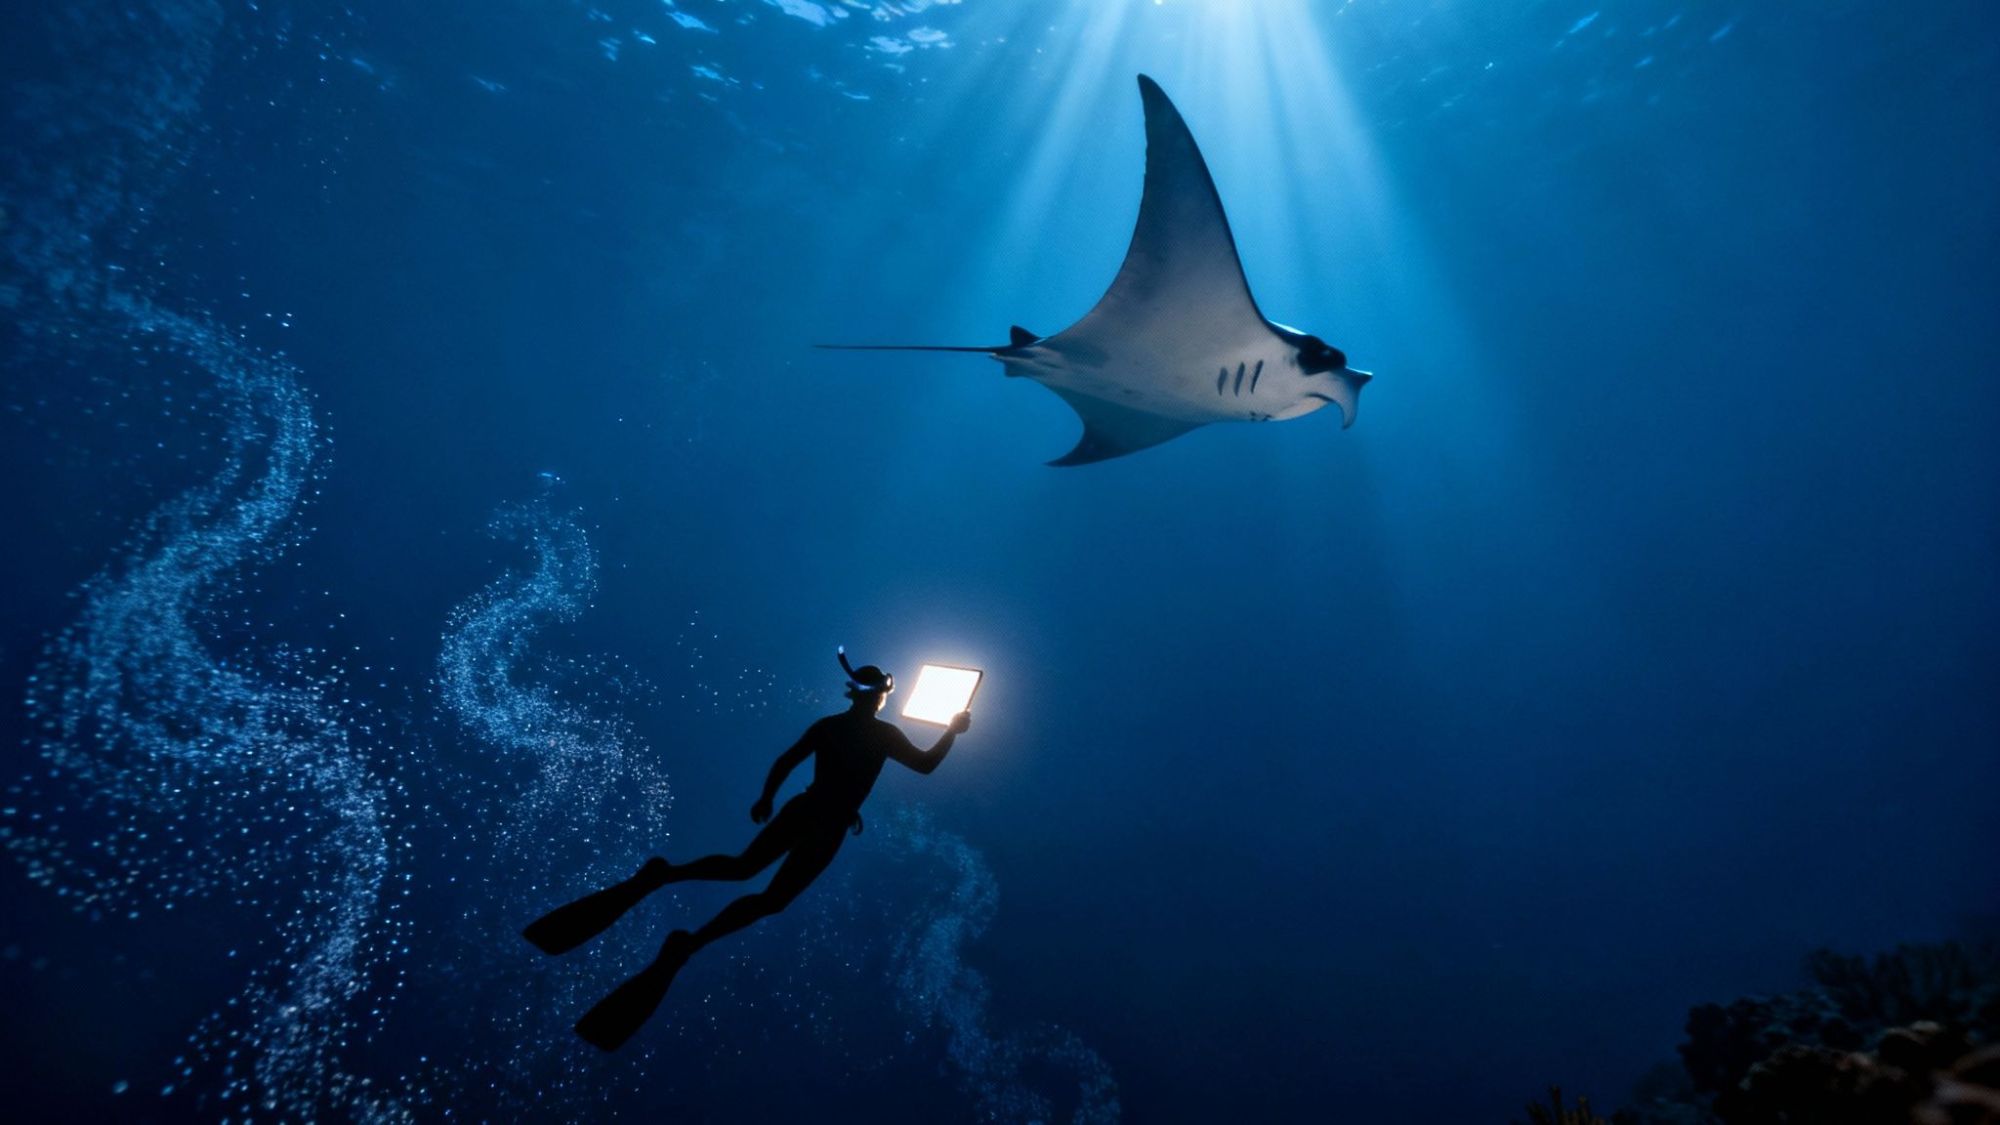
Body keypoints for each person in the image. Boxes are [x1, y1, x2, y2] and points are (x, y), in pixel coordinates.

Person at [523, 647, 971, 1051]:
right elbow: (926, 765)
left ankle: (667, 884)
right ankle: (686, 932)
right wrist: (952, 730)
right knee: (765, 894)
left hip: (813, 811)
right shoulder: (883, 735)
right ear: (877, 697)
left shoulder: (831, 727)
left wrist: (769, 797)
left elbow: (787, 762)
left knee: (745, 872)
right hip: (822, 820)